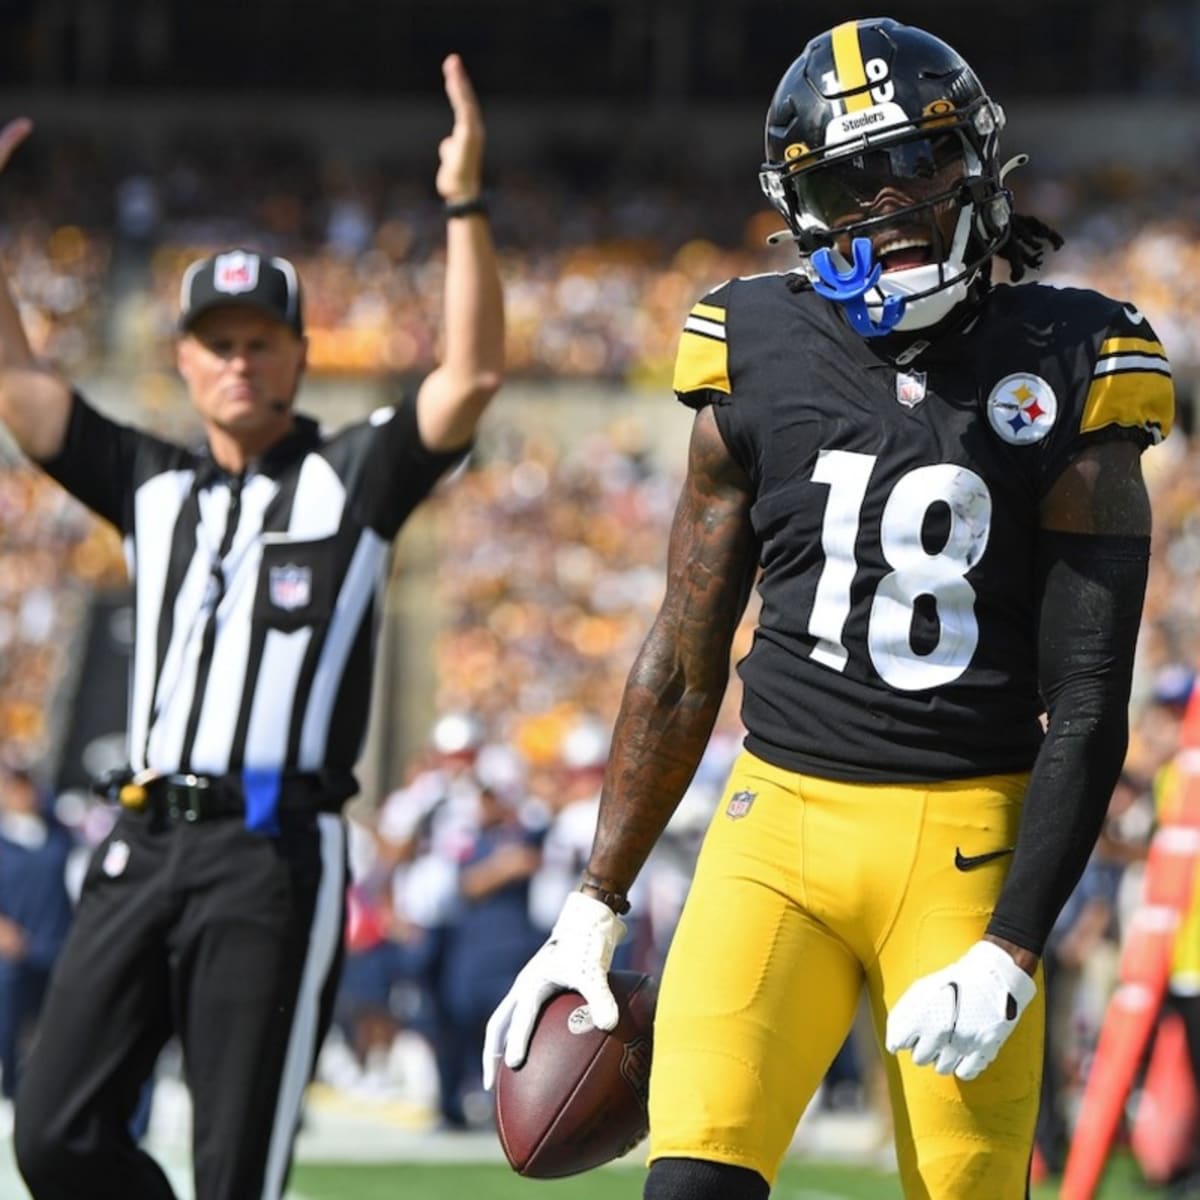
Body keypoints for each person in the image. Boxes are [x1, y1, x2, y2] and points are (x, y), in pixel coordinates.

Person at [484, 17, 1174, 1200]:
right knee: (691, 1184)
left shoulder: (1073, 355)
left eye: (920, 161)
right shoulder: (753, 343)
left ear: (981, 164)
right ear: (801, 202)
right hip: (778, 832)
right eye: (855, 175)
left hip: (969, 842)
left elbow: (1088, 695)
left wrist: (1013, 941)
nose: (893, 198)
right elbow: (684, 658)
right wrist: (593, 907)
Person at [0, 53, 504, 1200]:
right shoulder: (152, 483)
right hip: (140, 841)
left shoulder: (352, 475)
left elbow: (469, 377)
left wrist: (466, 200)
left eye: (258, 340)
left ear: (298, 353)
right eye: (216, 341)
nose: (238, 360)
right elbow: (24, 393)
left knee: (239, 1172)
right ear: (182, 360)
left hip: (271, 851)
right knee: (54, 1138)